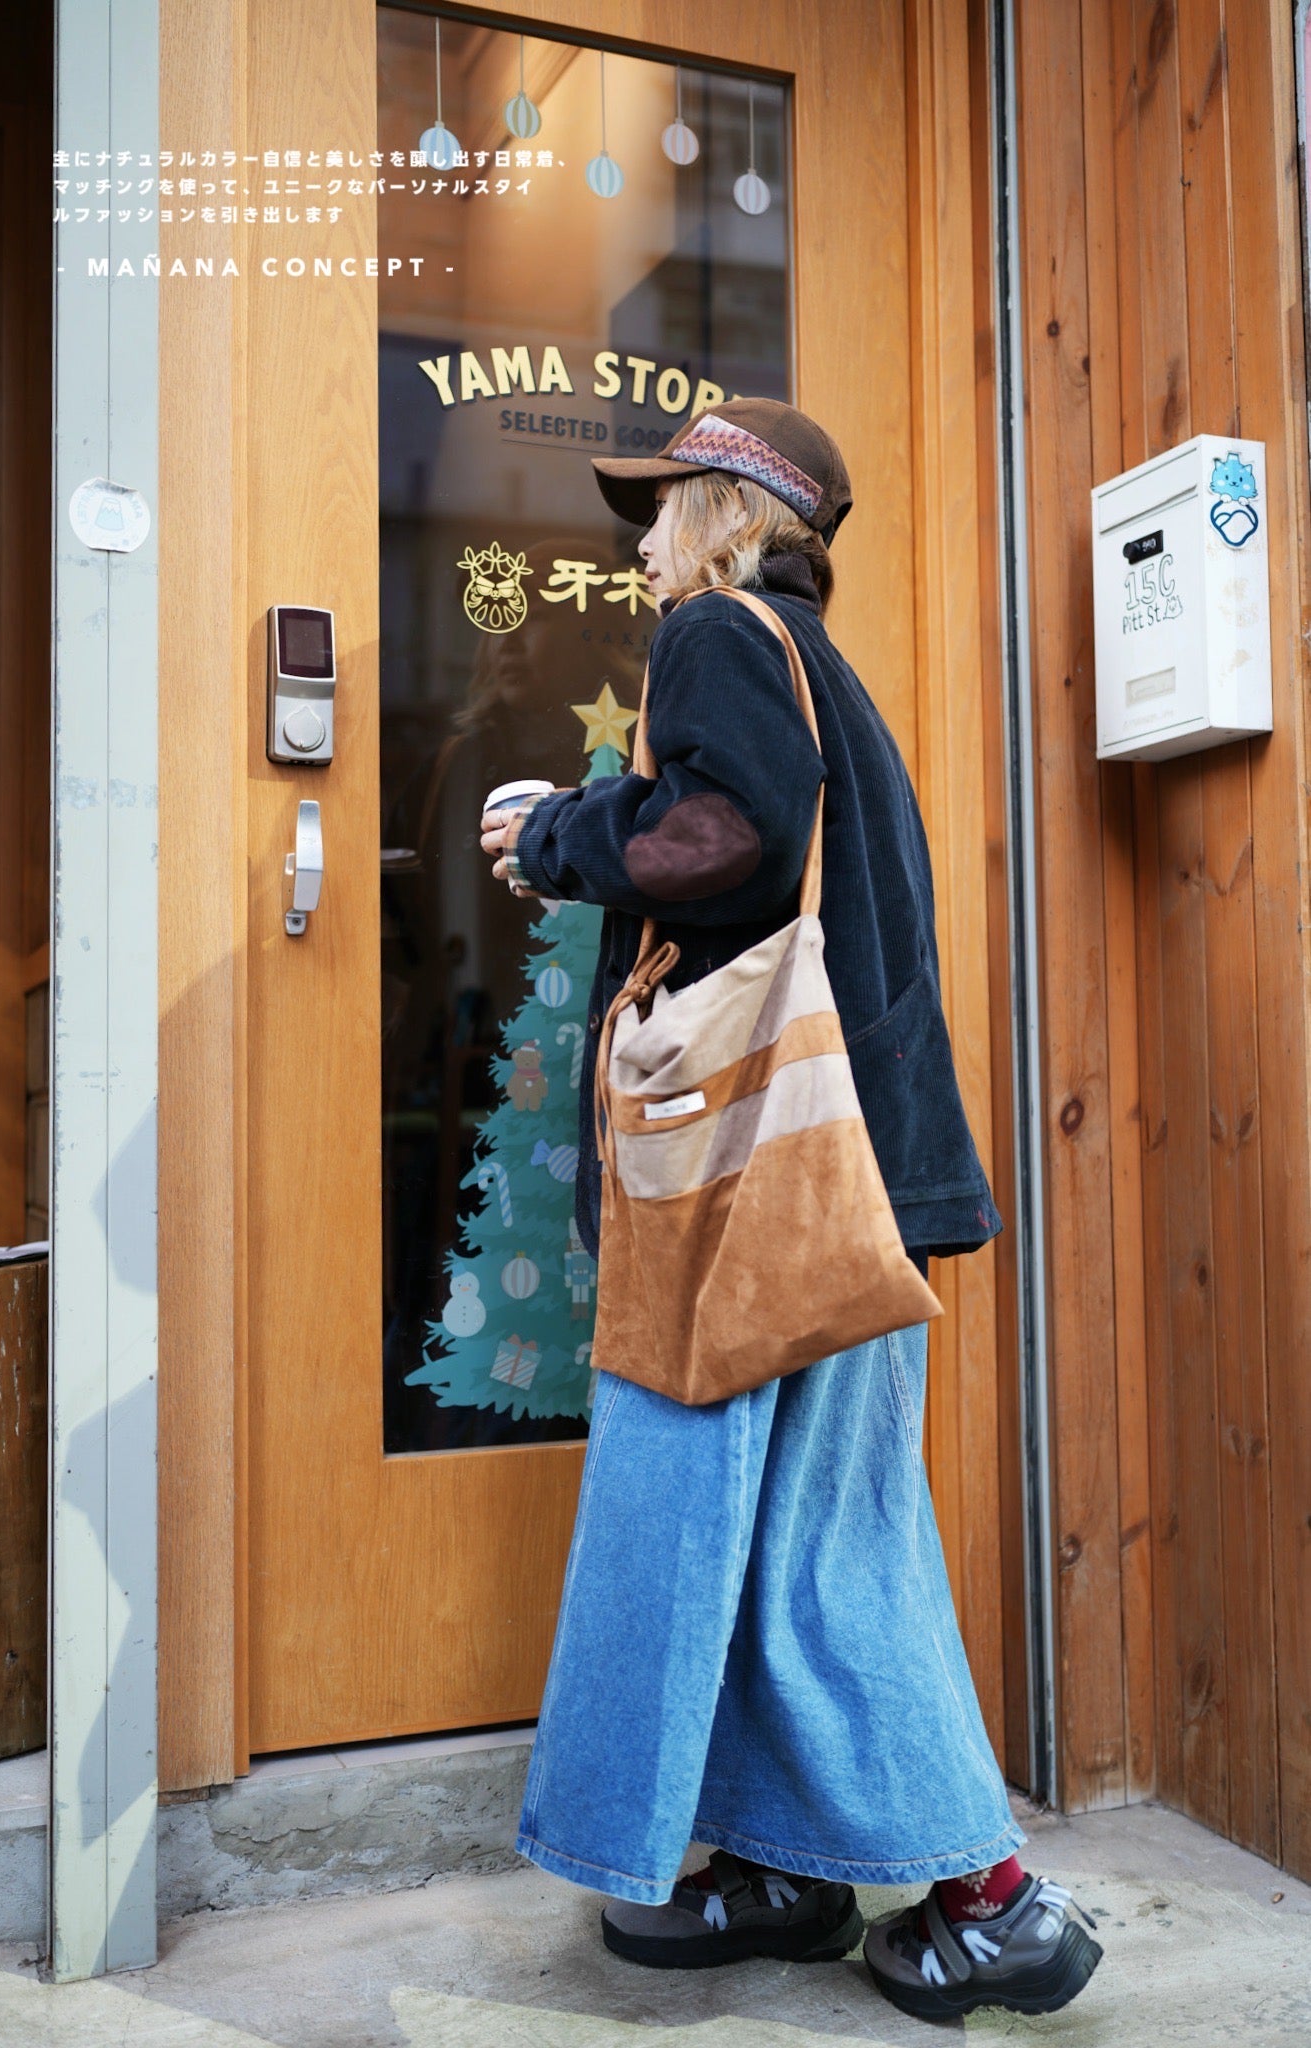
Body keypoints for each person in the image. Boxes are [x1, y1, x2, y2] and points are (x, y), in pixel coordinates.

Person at [479, 397, 1102, 2021]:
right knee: (788, 1537)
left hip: (764, 1191)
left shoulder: (714, 638)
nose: (641, 539)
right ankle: (787, 1871)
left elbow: (728, 839)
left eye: (660, 504)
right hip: (848, 1177)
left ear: (727, 513)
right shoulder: (821, 670)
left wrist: (557, 833)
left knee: (807, 1549)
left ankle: (989, 1902)